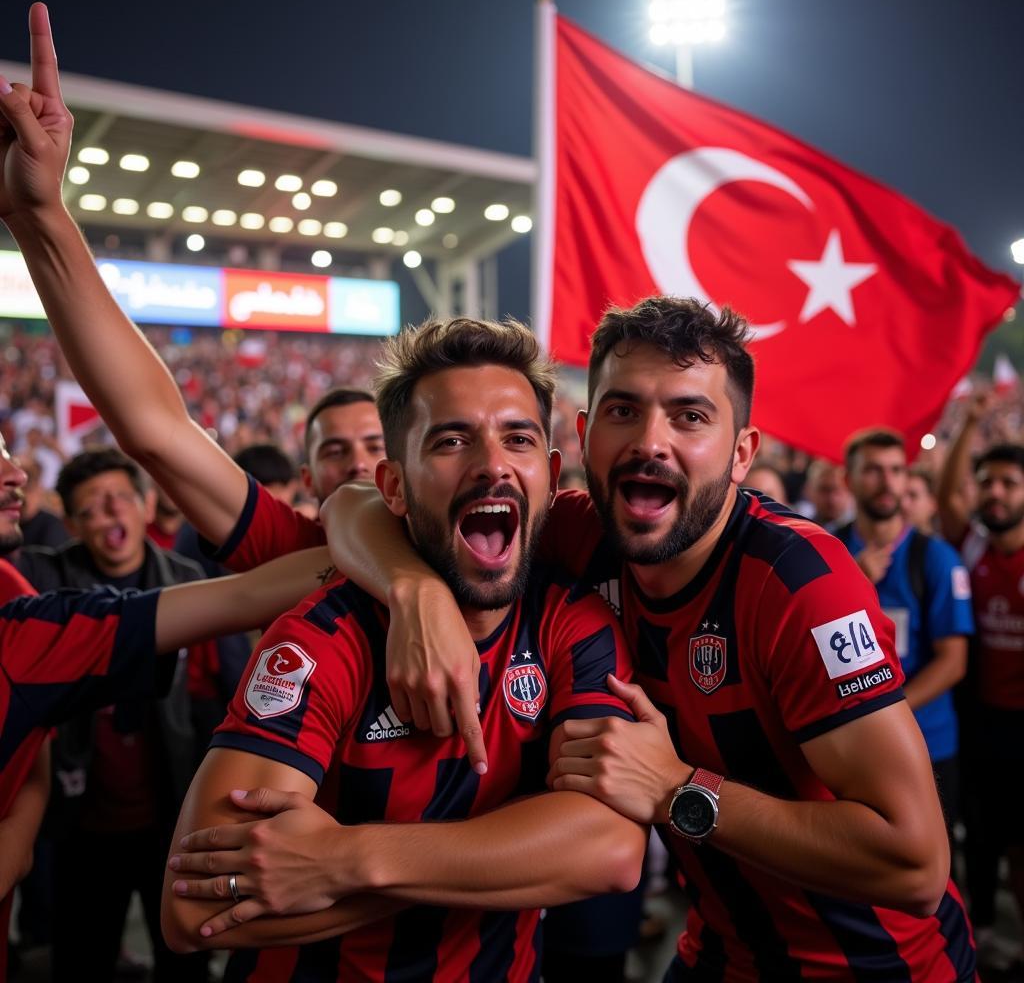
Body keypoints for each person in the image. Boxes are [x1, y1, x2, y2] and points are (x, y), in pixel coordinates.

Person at [322, 298, 975, 980]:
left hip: (882, 968)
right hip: (720, 953)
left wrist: (677, 789)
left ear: (742, 453)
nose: (649, 442)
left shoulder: (798, 583)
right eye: (623, 410)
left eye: (690, 416)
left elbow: (916, 863)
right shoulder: (580, 533)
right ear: (583, 434)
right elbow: (354, 504)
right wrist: (412, 590)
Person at [0, 0, 491, 772]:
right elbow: (156, 431)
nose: (359, 467)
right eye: (337, 455)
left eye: (375, 445)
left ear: (408, 462)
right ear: (308, 480)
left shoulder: (533, 560)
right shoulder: (300, 552)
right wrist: (40, 217)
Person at [160, 318, 646, 981]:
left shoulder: (575, 622)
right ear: (393, 487)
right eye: (451, 440)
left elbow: (611, 851)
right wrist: (510, 858)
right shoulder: (322, 638)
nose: (492, 463)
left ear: (551, 475)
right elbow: (191, 912)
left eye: (518, 438)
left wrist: (347, 860)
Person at [0, 430, 338, 977]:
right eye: (89, 507)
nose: (16, 473)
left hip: (168, 816)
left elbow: (241, 619)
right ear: (72, 525)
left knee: (182, 958)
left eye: (121, 498)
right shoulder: (33, 590)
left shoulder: (179, 583)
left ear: (148, 504)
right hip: (82, 827)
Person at [837, 428, 972, 828]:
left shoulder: (937, 559)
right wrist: (851, 583)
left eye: (896, 470)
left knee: (936, 876)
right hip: (845, 748)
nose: (887, 482)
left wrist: (885, 715)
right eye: (874, 470)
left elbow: (953, 662)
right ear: (849, 480)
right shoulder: (826, 552)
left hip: (926, 744)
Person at [937, 392, 1024, 969]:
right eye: (986, 482)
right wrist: (968, 424)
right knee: (982, 840)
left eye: (1008, 484)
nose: (994, 493)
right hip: (980, 725)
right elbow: (947, 497)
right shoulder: (969, 546)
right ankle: (987, 936)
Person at [803, 458, 853, 531]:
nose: (832, 499)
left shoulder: (861, 533)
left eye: (837, 490)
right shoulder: (802, 528)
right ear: (809, 490)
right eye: (824, 490)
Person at [903, 463, 939, 533]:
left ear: (932, 504)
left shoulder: (942, 544)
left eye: (913, 496)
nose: (904, 503)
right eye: (901, 496)